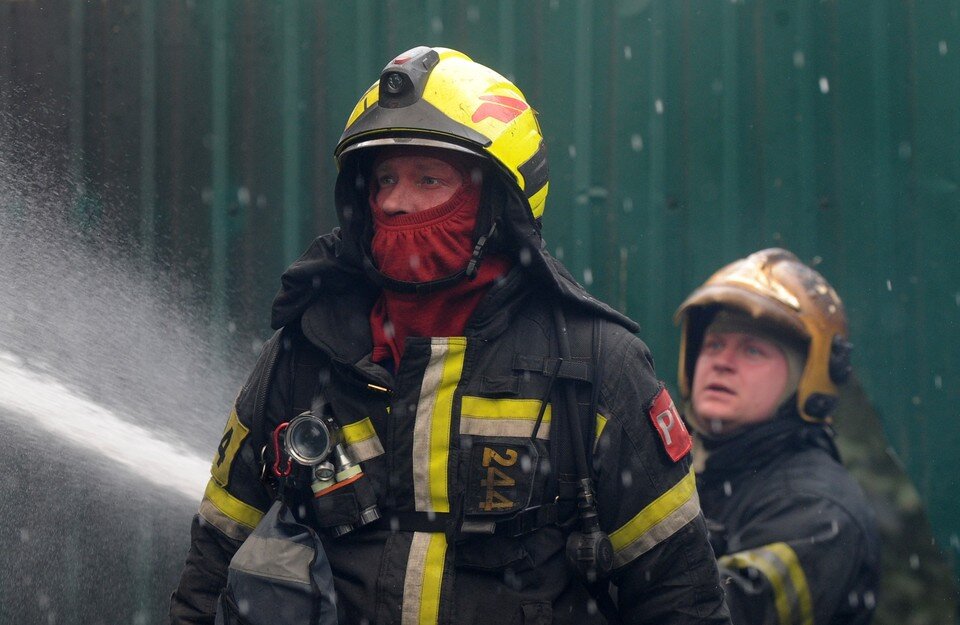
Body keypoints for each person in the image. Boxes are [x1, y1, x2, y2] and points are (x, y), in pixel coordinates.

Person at [170, 45, 731, 625]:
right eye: (385, 179)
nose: (396, 202)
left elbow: (681, 598)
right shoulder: (307, 351)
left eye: (429, 179)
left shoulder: (597, 365)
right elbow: (210, 571)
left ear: (498, 203)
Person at [674, 248, 881, 625]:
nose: (722, 362)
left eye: (752, 350)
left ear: (807, 378)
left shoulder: (818, 509)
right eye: (714, 344)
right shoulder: (682, 468)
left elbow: (710, 616)